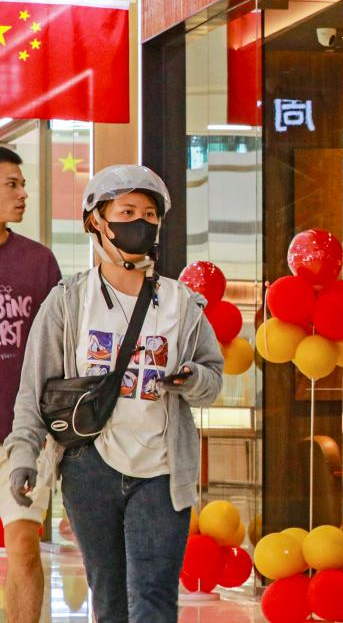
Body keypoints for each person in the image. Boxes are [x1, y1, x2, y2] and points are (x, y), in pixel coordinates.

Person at [4, 164, 224, 623]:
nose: (140, 222)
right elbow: (33, 391)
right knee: (109, 600)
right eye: (126, 212)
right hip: (89, 467)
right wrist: (24, 454)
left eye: (149, 214)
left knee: (153, 598)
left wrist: (192, 380)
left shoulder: (183, 303)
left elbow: (212, 379)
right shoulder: (68, 301)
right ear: (97, 222)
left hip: (162, 471)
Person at [0, 146, 61, 623]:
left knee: (23, 546)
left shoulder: (39, 263)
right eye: (11, 185)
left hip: (23, 433)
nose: (23, 194)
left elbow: (58, 350)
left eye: (23, 184)